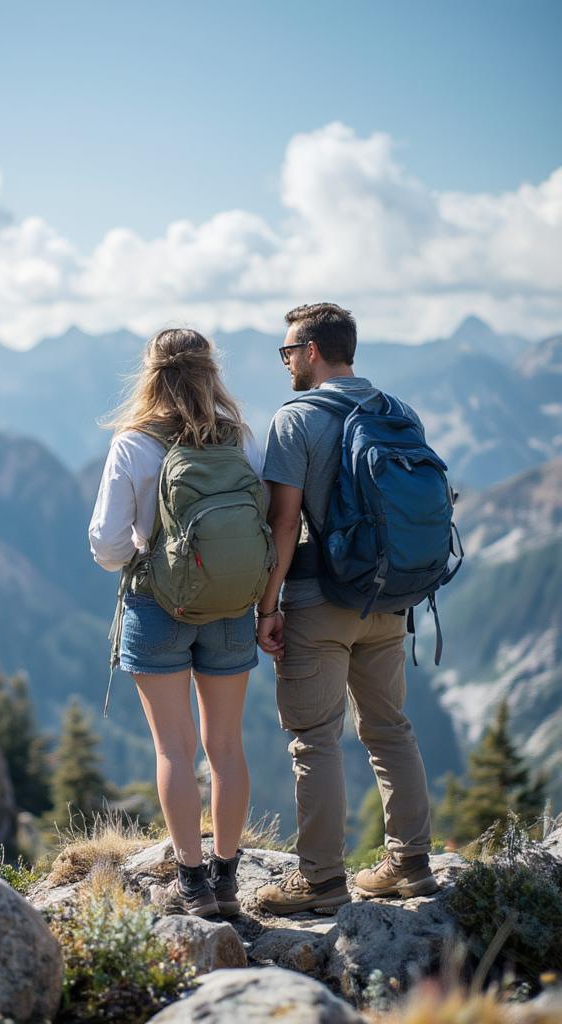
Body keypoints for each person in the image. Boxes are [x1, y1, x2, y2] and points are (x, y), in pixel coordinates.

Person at [255, 302, 440, 916]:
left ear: (311, 351)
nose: (284, 363)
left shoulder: (295, 419)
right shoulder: (395, 410)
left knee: (315, 739)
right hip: (389, 595)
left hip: (319, 599)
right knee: (390, 729)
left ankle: (322, 879)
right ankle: (411, 864)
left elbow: (284, 523)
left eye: (287, 352)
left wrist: (267, 605)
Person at [88, 327, 266, 918]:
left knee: (174, 750)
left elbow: (108, 544)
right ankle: (228, 879)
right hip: (232, 605)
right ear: (210, 372)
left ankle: (192, 887)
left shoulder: (134, 443)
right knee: (227, 749)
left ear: (151, 374)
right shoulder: (238, 436)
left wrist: (145, 549)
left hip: (157, 606)